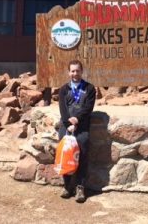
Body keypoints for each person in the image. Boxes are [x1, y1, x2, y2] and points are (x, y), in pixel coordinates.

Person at [58, 59, 96, 203]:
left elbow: (88, 108)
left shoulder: (90, 88)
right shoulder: (64, 89)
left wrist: (76, 120)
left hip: (82, 127)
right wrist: (68, 122)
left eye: (77, 70)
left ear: (82, 71)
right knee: (66, 155)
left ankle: (80, 187)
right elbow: (63, 109)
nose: (75, 73)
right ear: (69, 73)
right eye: (72, 71)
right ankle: (67, 186)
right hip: (66, 127)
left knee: (82, 156)